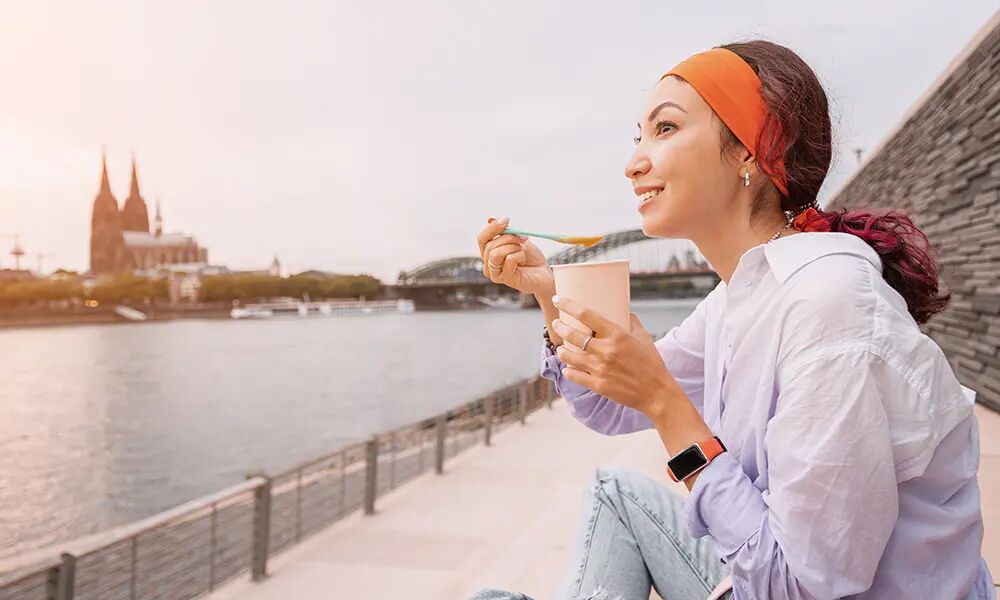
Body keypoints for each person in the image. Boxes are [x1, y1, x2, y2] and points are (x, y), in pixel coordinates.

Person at [471, 40, 995, 600]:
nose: (632, 163)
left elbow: (797, 586)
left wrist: (668, 407)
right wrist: (549, 294)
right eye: (637, 137)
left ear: (752, 150)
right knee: (614, 492)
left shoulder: (827, 306)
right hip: (753, 578)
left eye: (665, 128)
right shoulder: (741, 294)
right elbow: (606, 404)